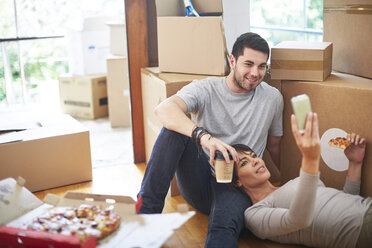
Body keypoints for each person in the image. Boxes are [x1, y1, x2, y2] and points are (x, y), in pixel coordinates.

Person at [136, 32, 284, 247]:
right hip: (200, 180)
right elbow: (164, 109)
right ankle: (146, 216)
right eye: (248, 64)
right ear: (232, 61)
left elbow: (275, 145)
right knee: (173, 130)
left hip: (239, 185)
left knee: (223, 228)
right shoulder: (205, 88)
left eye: (262, 66)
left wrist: (287, 183)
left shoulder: (273, 98)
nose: (255, 73)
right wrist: (204, 137)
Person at [232, 112, 371, 248]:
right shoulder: (253, 214)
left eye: (254, 156)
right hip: (360, 231)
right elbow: (298, 220)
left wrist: (355, 163)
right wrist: (310, 159)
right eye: (244, 163)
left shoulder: (290, 182)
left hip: (365, 206)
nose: (256, 161)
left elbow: (347, 201)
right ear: (237, 181)